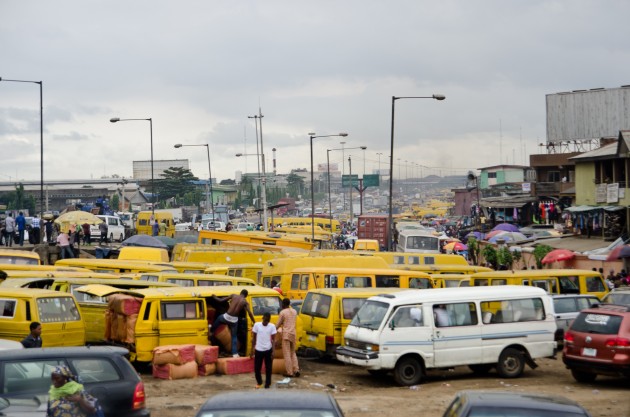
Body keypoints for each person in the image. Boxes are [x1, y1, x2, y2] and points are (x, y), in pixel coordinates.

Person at [212, 289, 255, 357]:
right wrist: (254, 321)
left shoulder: (234, 295)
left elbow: (221, 300)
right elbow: (249, 313)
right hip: (234, 320)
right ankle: (235, 353)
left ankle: (212, 330)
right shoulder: (245, 302)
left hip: (226, 317)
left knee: (219, 318)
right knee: (234, 336)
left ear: (240, 293)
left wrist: (214, 297)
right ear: (246, 296)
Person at [276, 298, 300, 378]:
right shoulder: (294, 311)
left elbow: (278, 324)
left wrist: (273, 330)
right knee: (293, 353)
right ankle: (296, 370)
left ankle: (289, 372)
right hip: (293, 334)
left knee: (287, 354)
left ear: (283, 304)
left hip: (286, 335)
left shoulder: (282, 312)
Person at [251, 312, 276, 389]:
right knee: (257, 369)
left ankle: (267, 384)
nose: (266, 322)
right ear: (263, 318)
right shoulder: (257, 325)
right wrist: (252, 349)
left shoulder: (272, 326)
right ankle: (259, 382)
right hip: (258, 350)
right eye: (265, 320)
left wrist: (273, 351)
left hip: (268, 350)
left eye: (267, 320)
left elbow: (274, 340)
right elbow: (254, 338)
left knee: (268, 368)